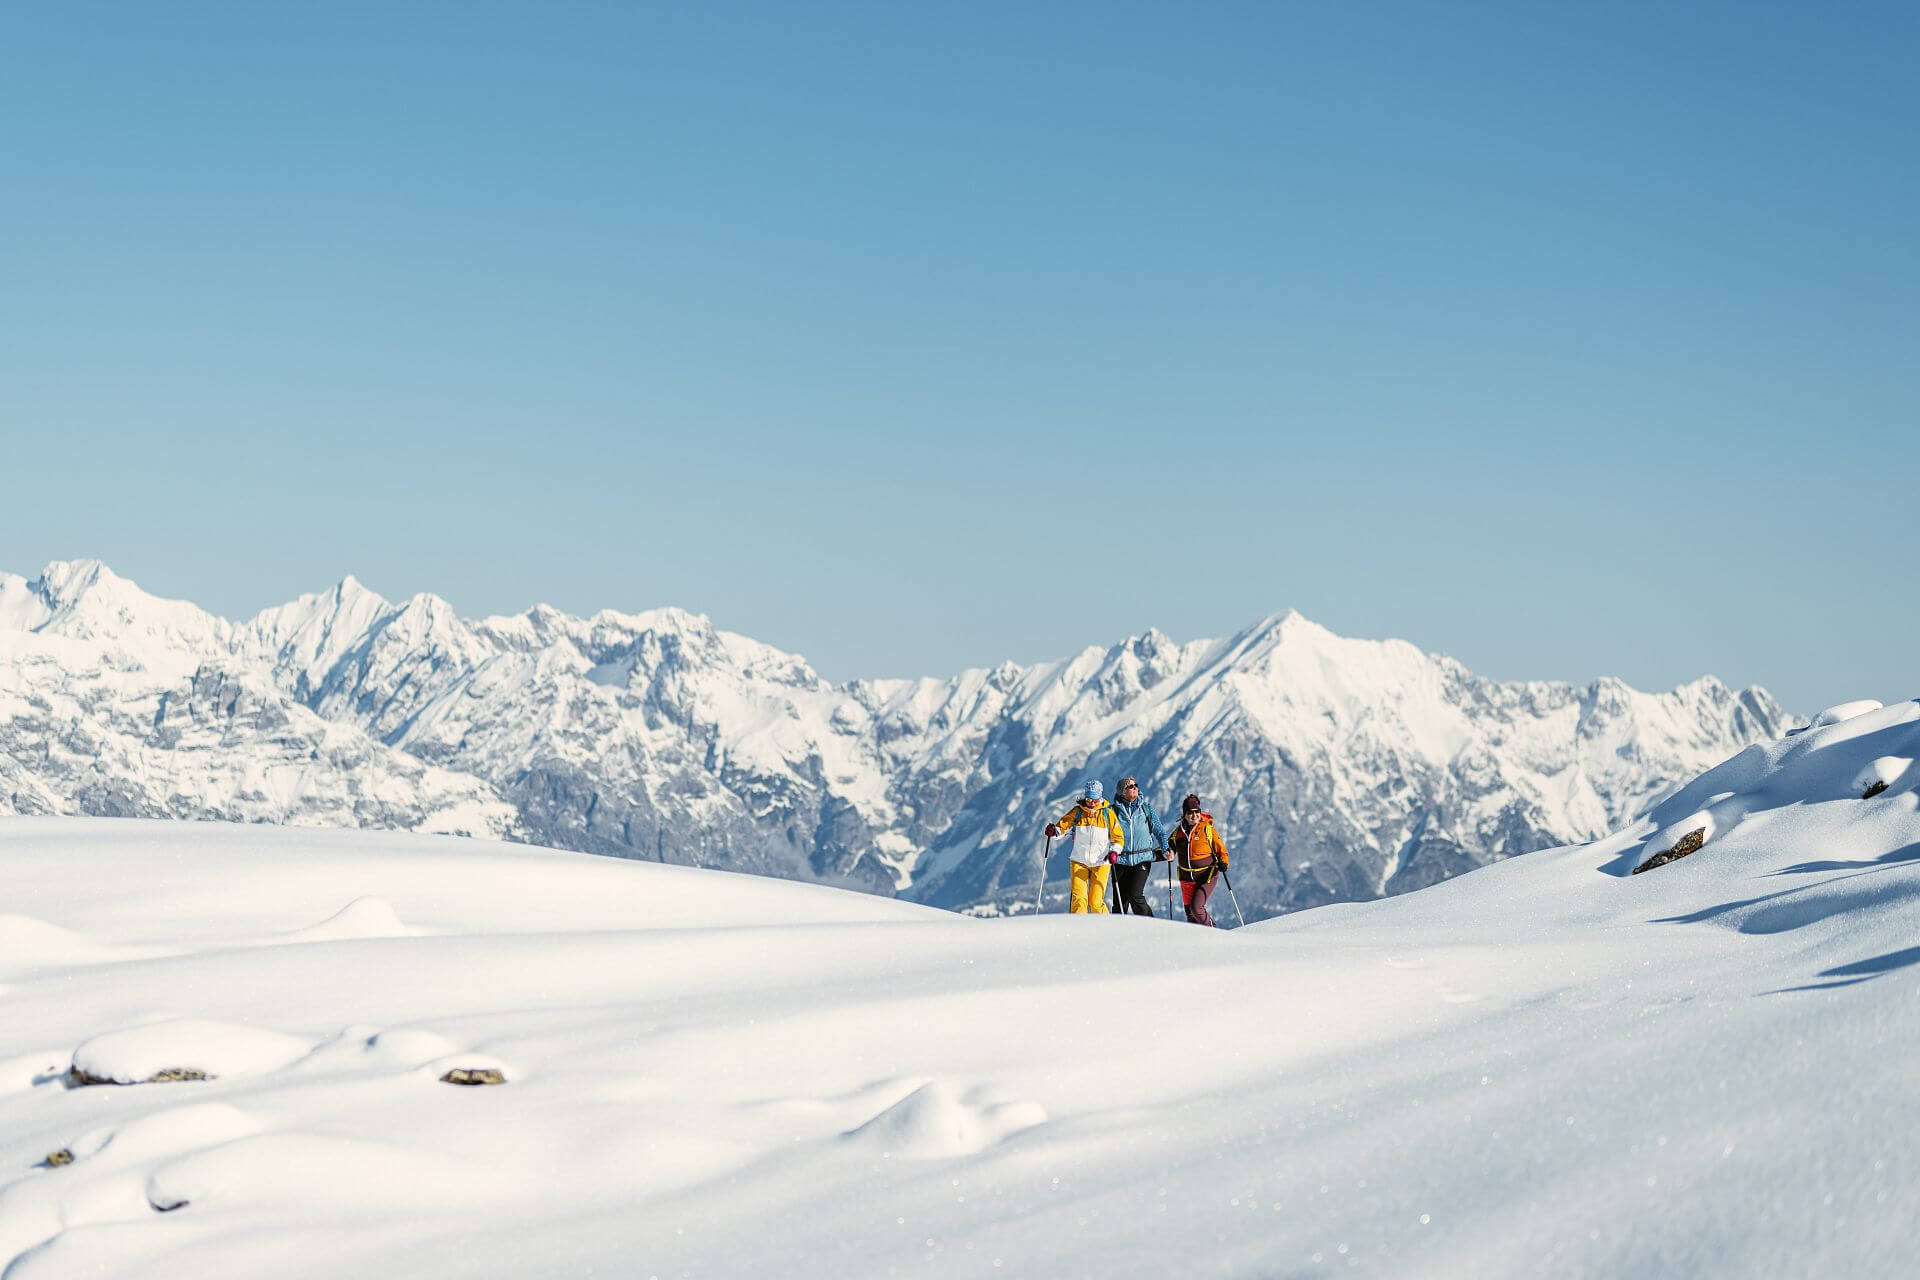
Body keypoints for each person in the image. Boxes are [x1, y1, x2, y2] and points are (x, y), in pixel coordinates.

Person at [1044, 780, 1124, 914]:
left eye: (1095, 800)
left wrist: (1114, 852)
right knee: (1079, 901)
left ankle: (1104, 929)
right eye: (1088, 799)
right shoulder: (1077, 812)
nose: (1092, 803)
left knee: (1095, 902)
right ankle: (1079, 931)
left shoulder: (1107, 813)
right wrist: (1054, 831)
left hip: (1101, 863)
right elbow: (1062, 827)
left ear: (1100, 798)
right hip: (1079, 861)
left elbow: (1118, 837)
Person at [1107, 775, 1166, 916]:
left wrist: (1165, 848)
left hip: (1142, 859)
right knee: (1120, 902)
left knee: (1135, 895)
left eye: (1135, 785)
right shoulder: (1112, 811)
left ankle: (1151, 925)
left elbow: (1160, 831)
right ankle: (1119, 932)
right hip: (1120, 860)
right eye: (1130, 786)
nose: (1134, 788)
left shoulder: (1146, 808)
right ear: (1122, 791)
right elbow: (1099, 829)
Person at [1170, 793, 1229, 927]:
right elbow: (1169, 847)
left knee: (1196, 908)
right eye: (1190, 812)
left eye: (1197, 812)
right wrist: (1168, 853)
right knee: (1190, 916)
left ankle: (1214, 933)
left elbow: (1221, 850)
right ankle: (1198, 945)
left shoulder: (1207, 829)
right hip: (1186, 878)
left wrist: (1224, 863)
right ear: (1184, 814)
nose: (1194, 815)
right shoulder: (1178, 832)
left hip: (1206, 875)